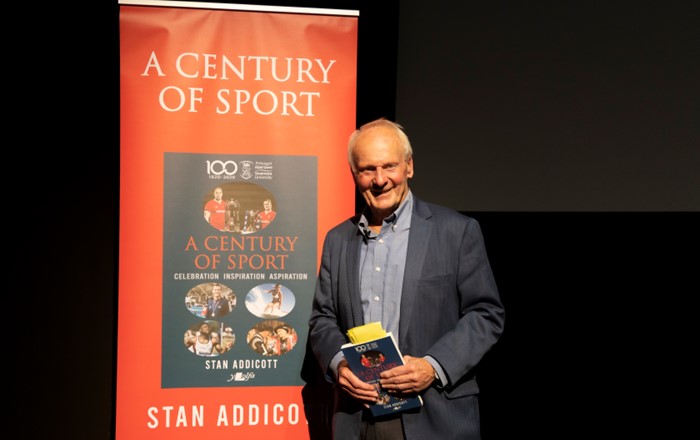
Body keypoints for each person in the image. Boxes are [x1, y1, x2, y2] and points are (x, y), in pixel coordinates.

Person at [305, 118, 505, 440]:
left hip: (435, 417)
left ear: (409, 167)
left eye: (390, 166)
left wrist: (433, 365)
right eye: (368, 169)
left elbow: (486, 314)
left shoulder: (456, 232)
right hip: (358, 418)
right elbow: (322, 319)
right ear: (354, 175)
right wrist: (341, 364)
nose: (380, 180)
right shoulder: (337, 240)